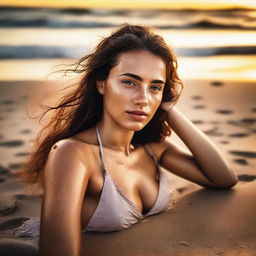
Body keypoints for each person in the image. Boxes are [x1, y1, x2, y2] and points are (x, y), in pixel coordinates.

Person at [17, 23, 238, 256]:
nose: (143, 99)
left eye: (155, 86)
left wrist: (171, 112)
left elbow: (223, 178)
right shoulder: (73, 153)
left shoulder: (153, 149)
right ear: (102, 84)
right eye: (129, 82)